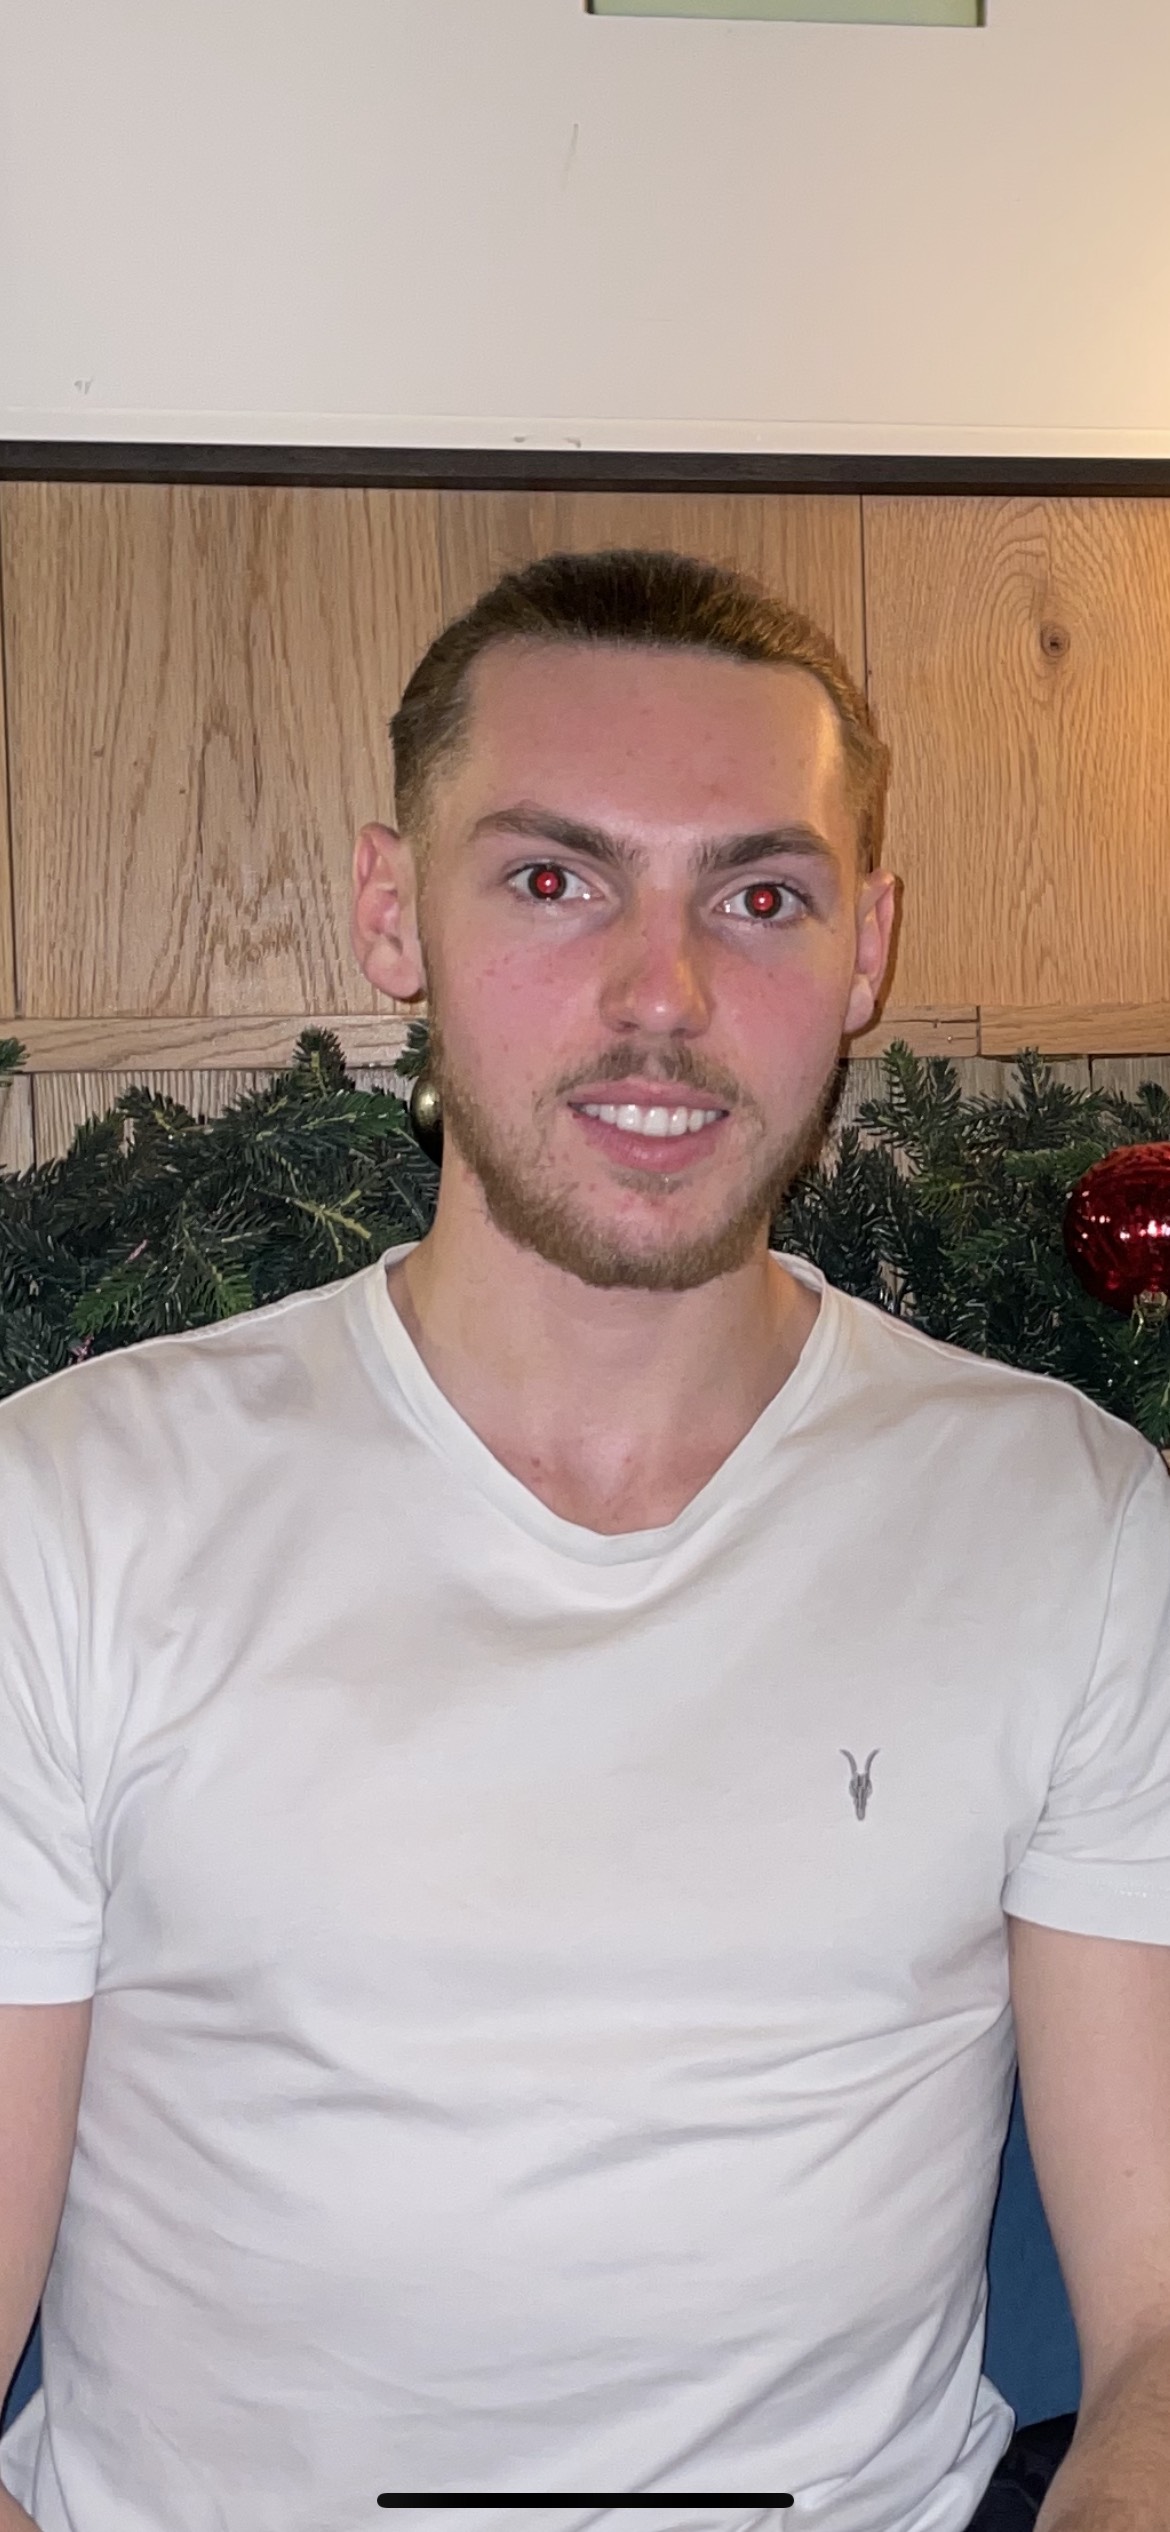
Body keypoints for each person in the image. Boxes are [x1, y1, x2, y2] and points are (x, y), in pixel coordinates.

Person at [0, 548, 1168, 2532]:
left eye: (759, 896)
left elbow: (1150, 2343)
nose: (663, 996)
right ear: (394, 912)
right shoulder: (71, 1512)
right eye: (553, 880)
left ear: (866, 949)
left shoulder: (1065, 1519)